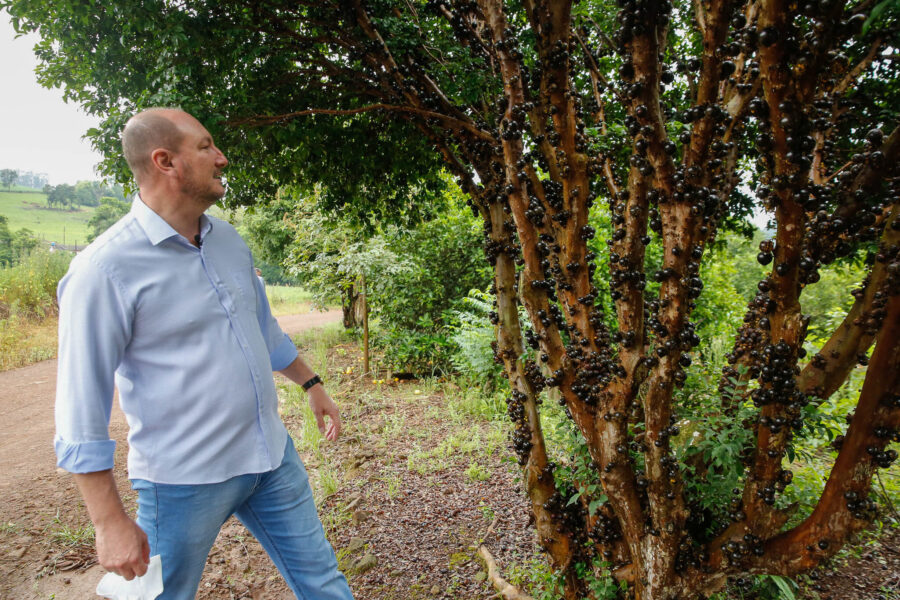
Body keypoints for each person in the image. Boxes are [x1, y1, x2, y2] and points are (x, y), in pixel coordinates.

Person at [54, 108, 354, 600]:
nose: (222, 158)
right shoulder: (103, 270)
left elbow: (263, 329)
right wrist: (108, 521)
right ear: (165, 161)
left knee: (323, 582)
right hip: (183, 481)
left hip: (271, 459)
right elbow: (79, 408)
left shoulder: (229, 241)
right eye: (206, 147)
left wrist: (311, 383)